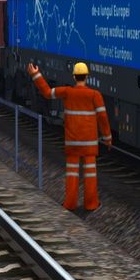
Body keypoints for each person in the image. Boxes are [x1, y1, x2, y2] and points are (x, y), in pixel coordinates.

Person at [28, 60, 112, 212]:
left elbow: (47, 93)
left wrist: (36, 75)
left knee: (72, 174)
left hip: (73, 143)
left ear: (74, 77)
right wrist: (107, 137)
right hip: (89, 145)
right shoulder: (95, 95)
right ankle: (91, 204)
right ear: (87, 77)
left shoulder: (67, 92)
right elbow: (103, 118)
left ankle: (70, 204)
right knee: (90, 175)